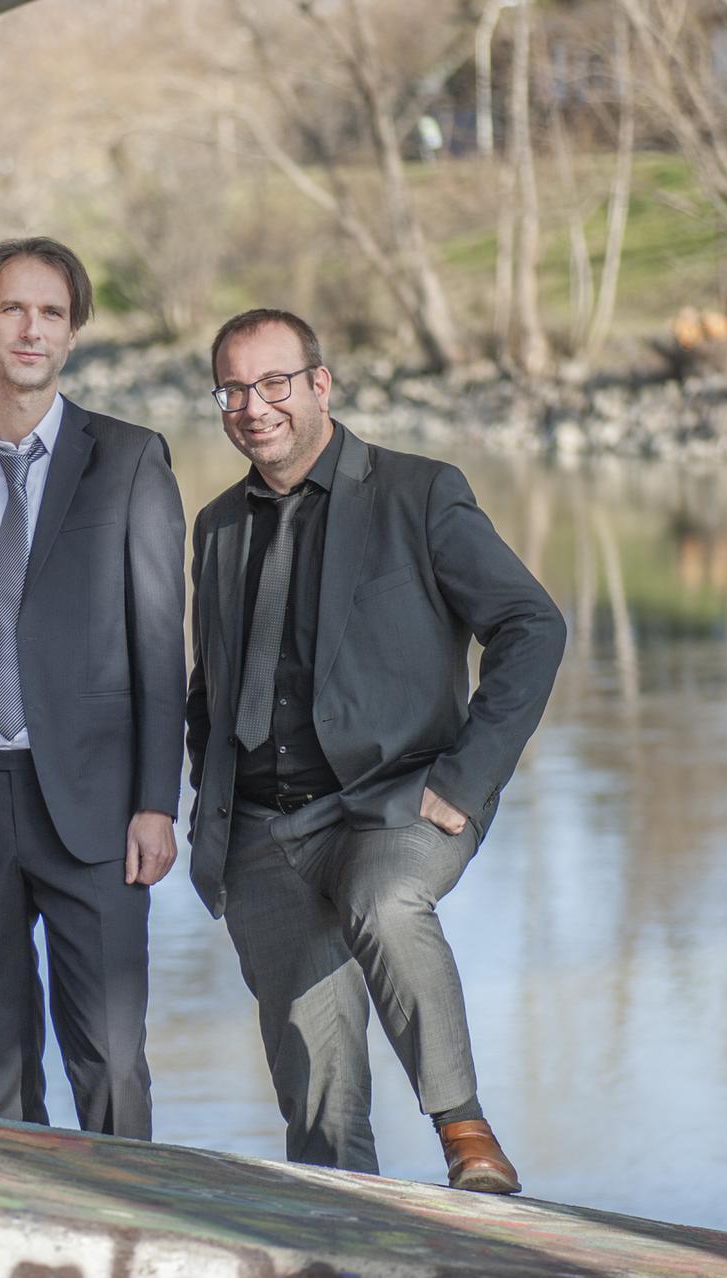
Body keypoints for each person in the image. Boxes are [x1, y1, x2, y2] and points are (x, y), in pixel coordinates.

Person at [184, 308, 564, 1191]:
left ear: (321, 385)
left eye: (273, 382)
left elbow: (532, 626)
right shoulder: (217, 526)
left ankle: (464, 1129)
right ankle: (348, 1239)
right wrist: (213, 801)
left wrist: (467, 778)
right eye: (233, 390)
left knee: (386, 901)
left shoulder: (418, 493)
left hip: (400, 801)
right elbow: (212, 685)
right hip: (262, 833)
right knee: (320, 1108)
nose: (254, 406)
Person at [0, 237, 186, 1139]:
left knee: (112, 1065)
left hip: (94, 809)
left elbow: (160, 648)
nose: (30, 328)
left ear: (73, 334)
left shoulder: (129, 460)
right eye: (12, 308)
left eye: (51, 312)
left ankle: (130, 1219)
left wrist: (156, 804)